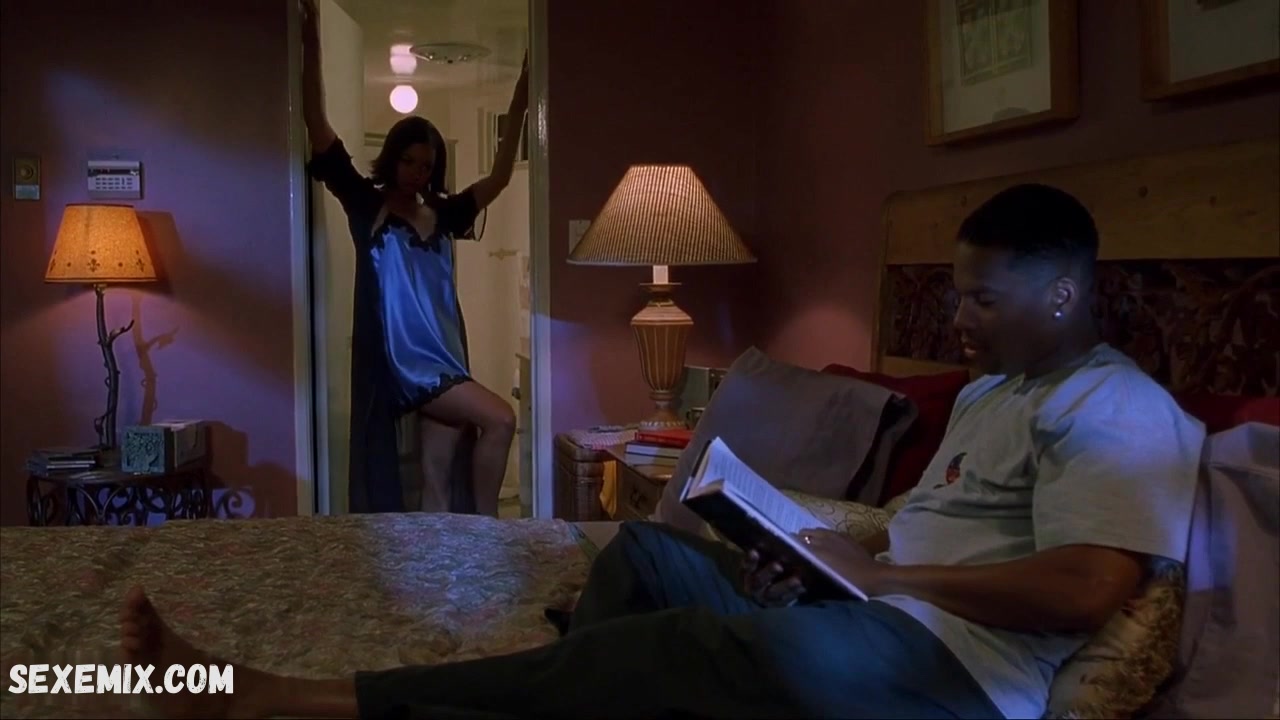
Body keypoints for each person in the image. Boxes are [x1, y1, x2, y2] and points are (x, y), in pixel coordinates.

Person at [118, 183, 1206, 719]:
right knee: (643, 552)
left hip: (952, 675)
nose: (959, 318)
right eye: (956, 294)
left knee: (676, 646)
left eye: (981, 299)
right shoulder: (989, 392)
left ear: (1062, 293)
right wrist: (816, 559)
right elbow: (928, 528)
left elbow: (1087, 586)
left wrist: (884, 579)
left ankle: (301, 702)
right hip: (872, 613)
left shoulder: (1115, 406)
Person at [300, 0, 528, 516]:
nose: (416, 173)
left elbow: (498, 178)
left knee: (436, 481)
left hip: (446, 359)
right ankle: (489, 531)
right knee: (501, 419)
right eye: (408, 161)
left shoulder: (444, 213)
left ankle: (440, 563)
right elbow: (318, 125)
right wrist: (310, 44)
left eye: (426, 165)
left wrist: (519, 100)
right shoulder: (368, 203)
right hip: (408, 366)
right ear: (393, 157)